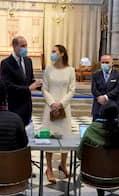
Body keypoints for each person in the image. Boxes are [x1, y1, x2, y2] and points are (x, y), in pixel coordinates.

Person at [77, 101, 119, 196]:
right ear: (117, 114)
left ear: (101, 113)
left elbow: (79, 155)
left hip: (93, 176)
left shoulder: (91, 129)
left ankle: (100, 195)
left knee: (98, 165)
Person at [42, 45, 76, 183]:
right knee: (50, 137)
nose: (52, 54)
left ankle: (63, 164)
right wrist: (52, 103)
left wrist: (61, 104)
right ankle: (49, 169)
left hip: (64, 108)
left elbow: (72, 90)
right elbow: (44, 88)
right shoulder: (48, 69)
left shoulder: (70, 70)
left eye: (54, 51)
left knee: (65, 137)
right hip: (50, 108)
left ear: (62, 54)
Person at [0, 36, 42, 126]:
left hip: (27, 106)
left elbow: (29, 80)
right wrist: (27, 88)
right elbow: (7, 86)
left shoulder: (28, 61)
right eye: (22, 46)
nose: (25, 48)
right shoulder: (6, 63)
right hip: (14, 106)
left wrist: (41, 85)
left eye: (26, 46)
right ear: (15, 46)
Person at [91, 54, 119, 121]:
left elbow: (118, 88)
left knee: (112, 129)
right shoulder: (96, 74)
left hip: (113, 105)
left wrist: (106, 97)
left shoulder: (118, 74)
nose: (104, 64)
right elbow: (94, 89)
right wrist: (100, 97)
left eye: (107, 62)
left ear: (112, 63)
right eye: (102, 62)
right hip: (98, 105)